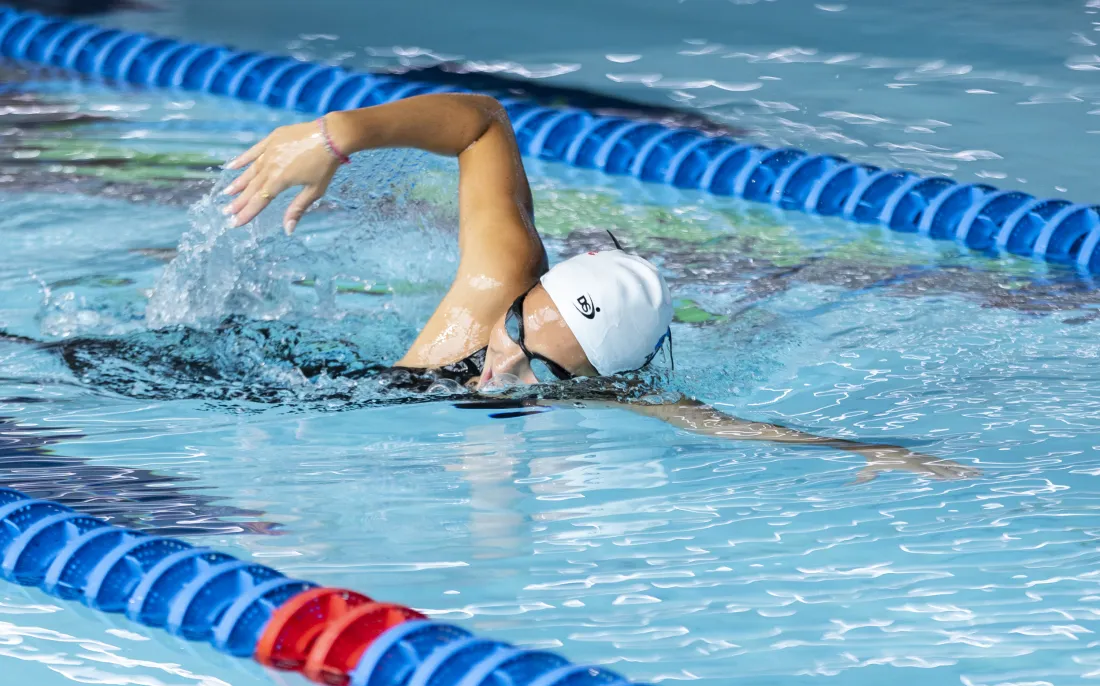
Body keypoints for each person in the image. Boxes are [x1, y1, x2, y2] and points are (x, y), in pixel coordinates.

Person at [224, 93, 977, 482]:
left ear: (591, 381)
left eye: (545, 371)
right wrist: (338, 135)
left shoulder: (606, 391)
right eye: (516, 331)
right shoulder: (501, 282)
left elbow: (721, 425)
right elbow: (483, 122)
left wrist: (863, 449)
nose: (502, 368)